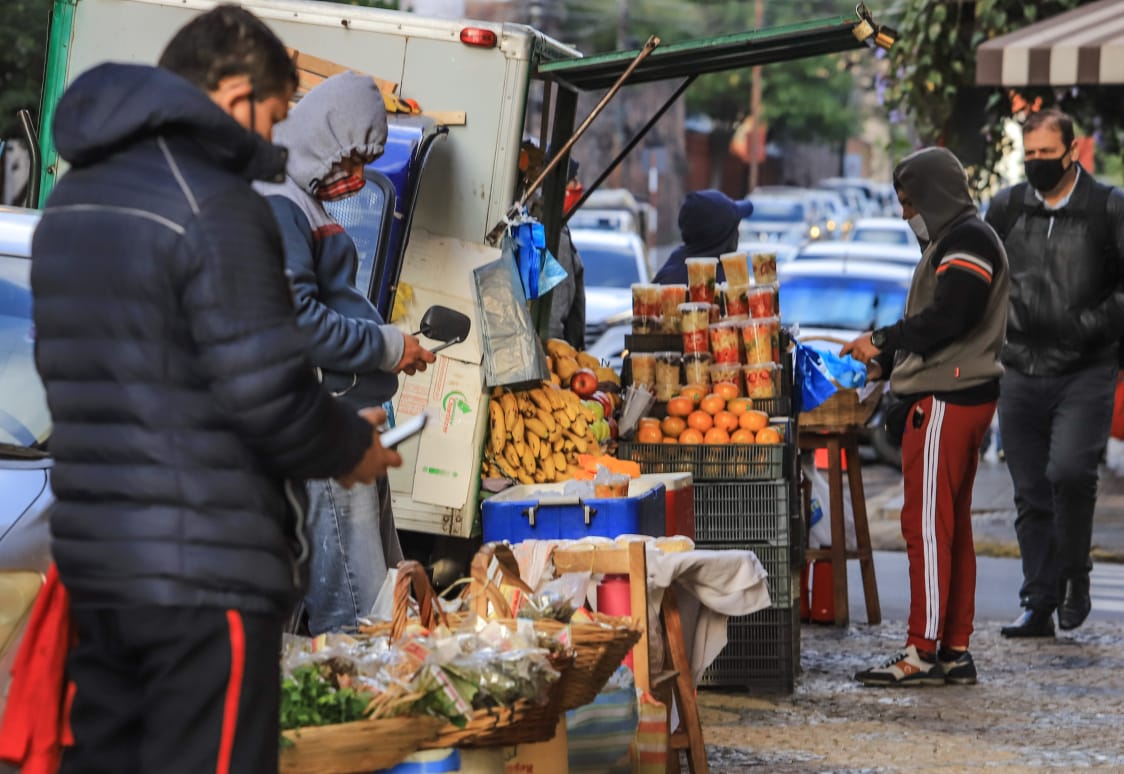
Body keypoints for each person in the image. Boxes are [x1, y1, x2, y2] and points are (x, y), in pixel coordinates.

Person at [30, 6, 401, 772]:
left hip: (96, 564)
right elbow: (267, 390)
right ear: (234, 97)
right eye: (273, 115)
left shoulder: (72, 202)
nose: (273, 140)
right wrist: (351, 446)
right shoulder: (216, 203)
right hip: (205, 571)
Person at [256, 71, 436, 635]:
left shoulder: (299, 201)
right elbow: (299, 322)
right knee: (357, 615)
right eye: (350, 161)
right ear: (323, 138)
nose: (356, 180)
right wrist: (388, 346)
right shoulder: (280, 202)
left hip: (342, 424)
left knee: (377, 593)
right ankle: (364, 714)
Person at [841, 147, 1008, 686]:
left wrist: (884, 341)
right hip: (959, 396)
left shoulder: (967, 241)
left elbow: (949, 317)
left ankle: (923, 649)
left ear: (932, 195)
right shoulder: (952, 240)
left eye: (909, 202)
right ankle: (954, 648)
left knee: (926, 528)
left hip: (947, 399)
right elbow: (932, 318)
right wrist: (888, 357)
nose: (904, 214)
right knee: (950, 528)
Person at [984, 108, 1124, 637]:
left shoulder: (1106, 208)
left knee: (1069, 473)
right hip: (1018, 366)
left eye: (1048, 153)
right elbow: (980, 272)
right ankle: (1039, 600)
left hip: (1085, 367)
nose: (1038, 163)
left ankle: (1076, 577)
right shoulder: (1008, 207)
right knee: (1030, 492)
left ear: (1072, 151)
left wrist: (1088, 323)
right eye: (1031, 155)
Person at [518, 140, 586, 348]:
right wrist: (553, 355)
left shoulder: (544, 225)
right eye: (572, 181)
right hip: (554, 350)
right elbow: (553, 314)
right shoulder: (555, 237)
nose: (577, 186)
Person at [652, 189, 754, 285]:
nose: (737, 234)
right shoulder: (730, 284)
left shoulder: (670, 271)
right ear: (723, 237)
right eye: (734, 226)